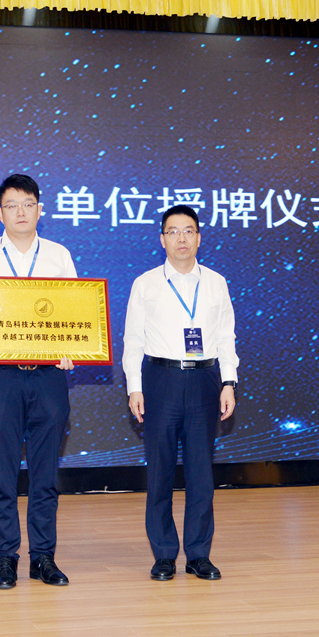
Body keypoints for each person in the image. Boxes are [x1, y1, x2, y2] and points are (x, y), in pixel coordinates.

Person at [0, 173, 77, 590]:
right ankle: (5, 557)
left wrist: (71, 347)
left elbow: (74, 310)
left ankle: (43, 557)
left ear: (40, 209)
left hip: (49, 376)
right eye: (12, 205)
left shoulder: (58, 255)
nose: (20, 212)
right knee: (3, 473)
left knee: (45, 473)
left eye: (28, 204)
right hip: (1, 376)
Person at [122, 204, 238, 582]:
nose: (181, 238)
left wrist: (229, 382)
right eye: (173, 232)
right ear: (162, 239)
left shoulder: (216, 282)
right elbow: (133, 340)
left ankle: (198, 555)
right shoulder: (146, 283)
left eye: (188, 231)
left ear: (199, 237)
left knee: (201, 474)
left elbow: (226, 337)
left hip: (205, 380)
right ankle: (164, 555)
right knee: (160, 472)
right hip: (161, 379)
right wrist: (135, 387)